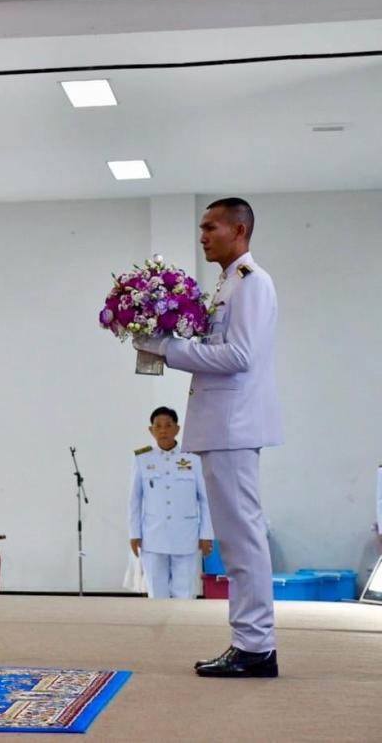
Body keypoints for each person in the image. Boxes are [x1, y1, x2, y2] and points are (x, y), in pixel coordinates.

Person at [134, 197, 282, 678]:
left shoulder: (251, 282)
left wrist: (167, 348)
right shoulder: (227, 284)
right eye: (202, 228)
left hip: (234, 425)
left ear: (239, 230)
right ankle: (249, 641)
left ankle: (255, 646)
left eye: (211, 227)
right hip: (223, 425)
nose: (203, 236)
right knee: (236, 541)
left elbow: (239, 356)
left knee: (243, 540)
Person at [129, 406, 213, 599]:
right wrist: (134, 533)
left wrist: (206, 534)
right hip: (153, 537)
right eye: (157, 426)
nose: (163, 430)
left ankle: (180, 619)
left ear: (177, 428)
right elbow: (134, 500)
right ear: (151, 430)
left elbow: (205, 499)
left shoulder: (193, 457)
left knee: (184, 592)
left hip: (185, 536)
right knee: (156, 593)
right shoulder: (142, 459)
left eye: (168, 425)